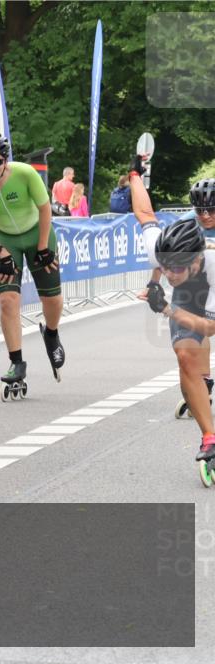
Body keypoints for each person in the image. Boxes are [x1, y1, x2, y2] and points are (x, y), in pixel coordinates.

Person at [0, 133, 64, 398]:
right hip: (5, 240)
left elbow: (44, 209)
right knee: (7, 300)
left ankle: (51, 334)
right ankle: (16, 362)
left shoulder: (25, 173)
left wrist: (43, 246)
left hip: (37, 233)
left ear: (5, 160)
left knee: (51, 299)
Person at [133, 161, 215, 480]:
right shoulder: (167, 242)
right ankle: (210, 438)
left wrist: (166, 310)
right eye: (201, 210)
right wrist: (135, 175)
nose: (206, 215)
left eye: (213, 210)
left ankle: (203, 378)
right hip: (190, 290)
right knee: (184, 356)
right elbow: (144, 213)